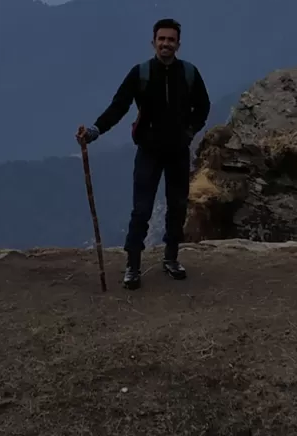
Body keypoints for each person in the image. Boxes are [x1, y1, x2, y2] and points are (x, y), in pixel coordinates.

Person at [77, 18, 211, 289]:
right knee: (141, 210)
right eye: (161, 39)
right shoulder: (141, 73)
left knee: (177, 207)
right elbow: (118, 107)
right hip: (148, 151)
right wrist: (94, 130)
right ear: (153, 42)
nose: (165, 44)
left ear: (178, 44)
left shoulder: (189, 73)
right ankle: (133, 265)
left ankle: (171, 258)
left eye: (170, 40)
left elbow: (203, 107)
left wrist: (189, 133)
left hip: (177, 152)